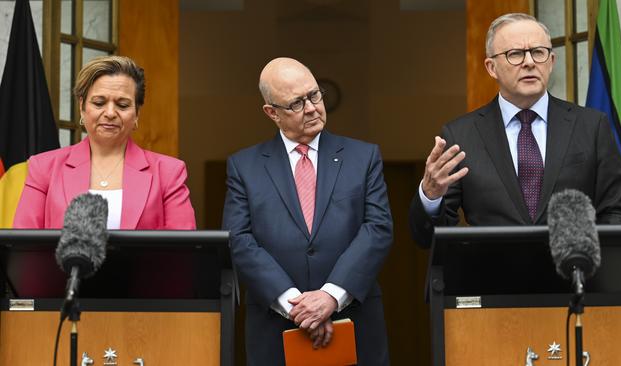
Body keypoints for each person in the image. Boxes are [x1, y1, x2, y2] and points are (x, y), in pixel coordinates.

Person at [410, 13, 621, 247]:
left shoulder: (591, 126)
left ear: (551, 61)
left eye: (538, 52)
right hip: (494, 279)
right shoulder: (461, 135)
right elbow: (428, 238)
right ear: (491, 67)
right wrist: (431, 195)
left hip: (572, 277)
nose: (529, 62)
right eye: (515, 54)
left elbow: (618, 214)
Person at [222, 57, 393, 365]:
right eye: (296, 103)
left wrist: (330, 297)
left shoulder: (363, 156)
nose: (313, 108)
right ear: (272, 113)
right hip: (275, 329)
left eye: (315, 95)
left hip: (354, 320)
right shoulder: (244, 166)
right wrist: (297, 307)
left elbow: (377, 229)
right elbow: (240, 240)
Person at [12, 56, 195, 298]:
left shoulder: (169, 172)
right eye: (99, 102)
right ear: (82, 106)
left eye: (122, 104)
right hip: (57, 305)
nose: (110, 113)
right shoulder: (43, 167)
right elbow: (24, 248)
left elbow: (182, 255)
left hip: (144, 312)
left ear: (137, 112)